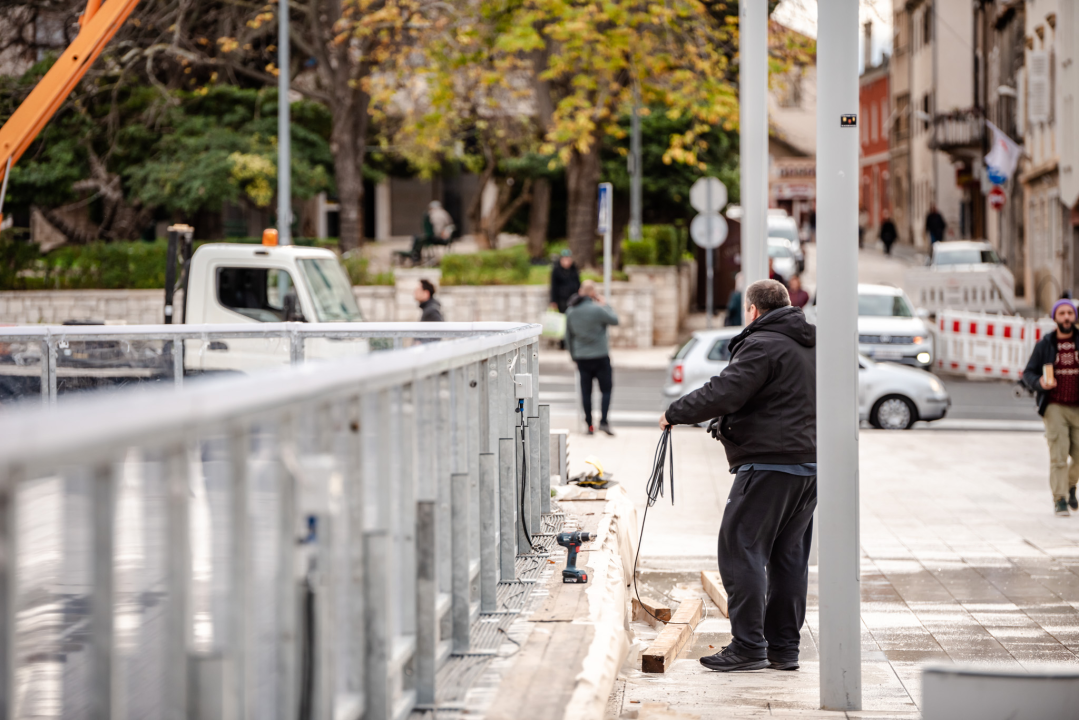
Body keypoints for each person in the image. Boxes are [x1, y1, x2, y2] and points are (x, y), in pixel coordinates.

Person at [659, 279, 816, 672]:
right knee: (788, 558)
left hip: (770, 465)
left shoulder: (764, 344)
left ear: (753, 310)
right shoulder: (809, 343)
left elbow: (726, 390)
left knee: (741, 548)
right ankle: (783, 649)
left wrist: (675, 412)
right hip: (810, 465)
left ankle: (748, 647)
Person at [1022, 299, 1079, 515]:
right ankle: (1060, 499)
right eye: (1062, 313)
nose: (1066, 317)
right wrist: (1040, 383)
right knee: (1059, 454)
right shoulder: (1045, 344)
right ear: (1055, 317)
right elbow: (1028, 373)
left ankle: (1070, 484)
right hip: (1054, 406)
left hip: (1077, 406)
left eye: (1070, 313)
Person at [566, 281, 619, 436]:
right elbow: (615, 320)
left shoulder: (571, 312)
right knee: (606, 389)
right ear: (593, 293)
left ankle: (589, 426)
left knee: (586, 392)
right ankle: (603, 422)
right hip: (601, 356)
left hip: (582, 357)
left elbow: (568, 337)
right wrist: (606, 305)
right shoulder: (598, 310)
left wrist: (573, 355)